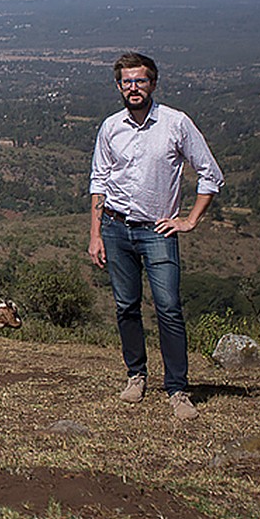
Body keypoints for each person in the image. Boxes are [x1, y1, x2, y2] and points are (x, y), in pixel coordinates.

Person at [88, 52, 223, 420]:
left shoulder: (176, 124)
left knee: (168, 308)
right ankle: (136, 375)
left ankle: (178, 388)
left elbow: (210, 174)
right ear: (119, 86)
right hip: (116, 228)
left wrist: (190, 220)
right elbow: (99, 181)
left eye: (140, 81)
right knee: (126, 307)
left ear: (153, 84)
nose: (134, 87)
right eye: (127, 82)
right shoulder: (111, 127)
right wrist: (95, 234)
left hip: (157, 230)